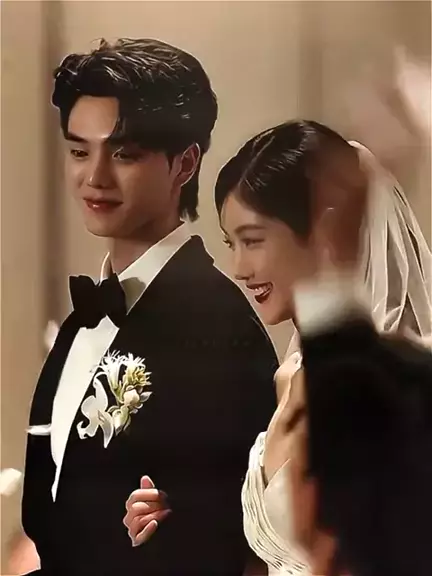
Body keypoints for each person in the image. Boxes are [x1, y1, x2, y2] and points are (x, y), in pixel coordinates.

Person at [22, 38, 278, 576]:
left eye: (124, 154)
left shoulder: (219, 327)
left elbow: (238, 539)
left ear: (185, 163)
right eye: (78, 152)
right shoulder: (81, 322)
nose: (94, 177)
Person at [215, 120, 432, 576]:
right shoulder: (288, 378)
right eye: (231, 244)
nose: (238, 267)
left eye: (253, 241)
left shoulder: (395, 385)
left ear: (324, 231)